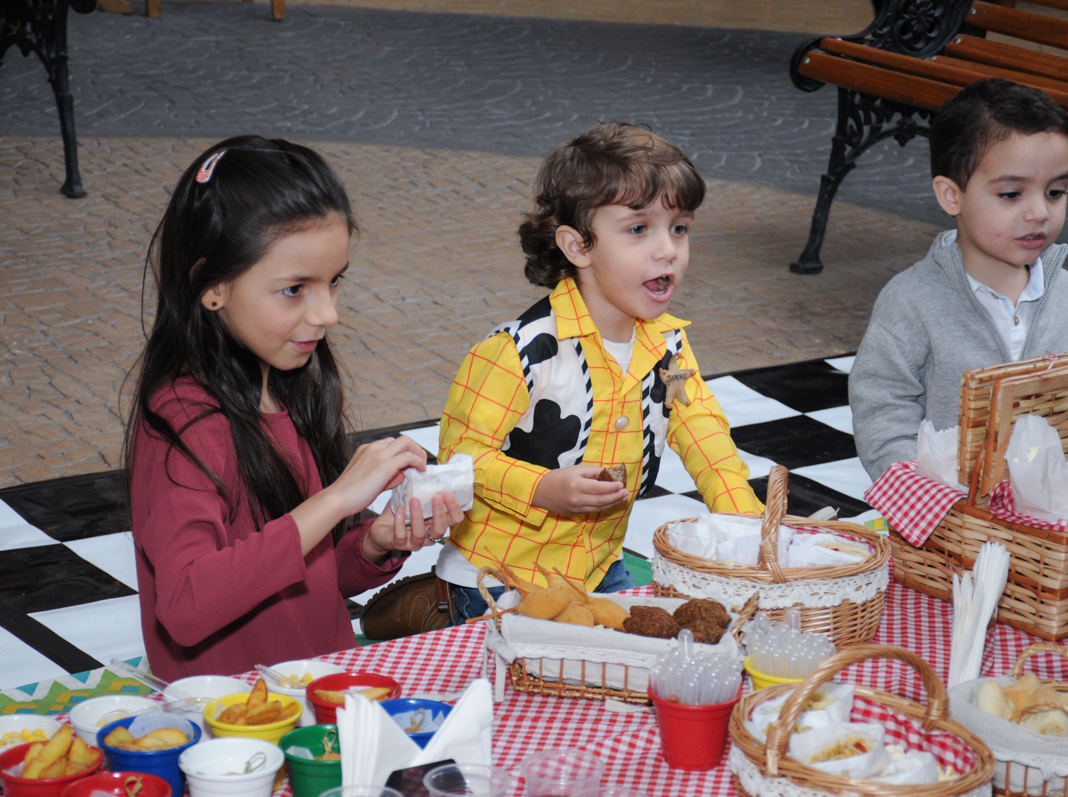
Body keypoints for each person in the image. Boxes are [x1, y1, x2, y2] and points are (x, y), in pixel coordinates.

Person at [124, 136, 464, 680]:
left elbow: (303, 576)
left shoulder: (287, 385)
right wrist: (335, 500)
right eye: (294, 289)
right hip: (239, 719)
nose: (327, 312)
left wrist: (374, 544)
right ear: (210, 286)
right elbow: (185, 608)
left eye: (334, 282)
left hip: (319, 690)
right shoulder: (181, 419)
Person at [436, 122, 764, 623]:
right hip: (500, 575)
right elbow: (460, 460)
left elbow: (696, 423)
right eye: (639, 229)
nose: (667, 250)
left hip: (598, 567)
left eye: (679, 227)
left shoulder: (669, 348)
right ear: (578, 247)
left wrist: (742, 514)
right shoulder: (516, 353)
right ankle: (431, 607)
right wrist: (542, 489)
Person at [850, 78, 1068, 482]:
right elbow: (882, 403)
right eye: (1012, 194)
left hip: (1042, 510)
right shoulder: (912, 299)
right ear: (951, 196)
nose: (1039, 212)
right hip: (943, 512)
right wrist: (913, 489)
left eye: (1055, 191)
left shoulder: (1064, 291)